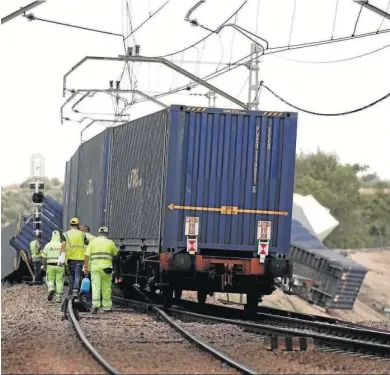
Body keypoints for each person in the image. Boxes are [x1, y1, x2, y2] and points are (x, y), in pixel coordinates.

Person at [83, 226, 118, 314]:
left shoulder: (93, 242)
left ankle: (95, 306)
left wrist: (86, 267)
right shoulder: (110, 242)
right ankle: (106, 307)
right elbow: (115, 253)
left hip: (95, 268)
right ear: (106, 234)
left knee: (95, 287)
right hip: (106, 268)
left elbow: (86, 255)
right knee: (106, 287)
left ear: (98, 233)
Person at [59, 217, 89, 296]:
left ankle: (72, 290)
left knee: (72, 276)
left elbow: (63, 246)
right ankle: (76, 291)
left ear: (70, 225)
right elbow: (86, 243)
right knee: (77, 275)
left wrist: (61, 256)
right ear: (78, 225)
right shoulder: (82, 234)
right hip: (80, 258)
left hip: (70, 258)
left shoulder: (65, 234)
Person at [42, 230, 64, 303]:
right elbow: (64, 256)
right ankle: (58, 298)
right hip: (60, 266)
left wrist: (44, 265)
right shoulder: (62, 245)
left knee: (50, 279)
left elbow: (44, 257)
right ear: (59, 237)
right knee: (59, 281)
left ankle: (51, 288)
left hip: (50, 265)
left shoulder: (48, 245)